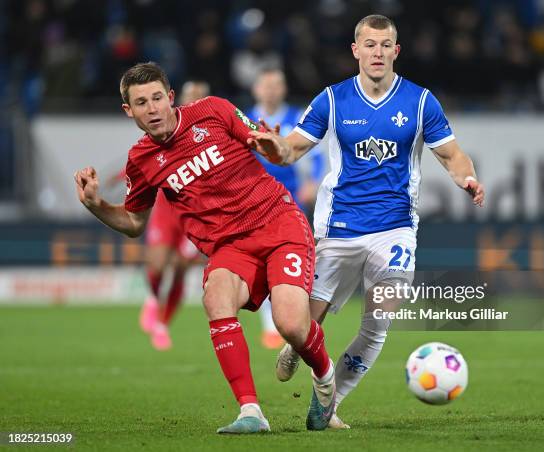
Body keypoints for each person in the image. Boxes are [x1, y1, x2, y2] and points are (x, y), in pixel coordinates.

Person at [248, 15, 485, 429]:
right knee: (302, 323)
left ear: (397, 51)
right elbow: (294, 149)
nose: (378, 52)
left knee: (378, 323)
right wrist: (275, 147)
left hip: (395, 228)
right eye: (370, 45)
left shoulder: (420, 101)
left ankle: (329, 404)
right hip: (339, 226)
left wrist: (466, 176)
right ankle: (295, 345)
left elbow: (450, 154)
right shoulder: (333, 100)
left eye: (385, 45)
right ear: (355, 50)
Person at [74, 62, 336, 434]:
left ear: (170, 97)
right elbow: (133, 224)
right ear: (128, 111)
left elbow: (272, 148)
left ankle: (325, 379)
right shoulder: (142, 161)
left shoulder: (213, 110)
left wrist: (274, 146)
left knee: (291, 324)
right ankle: (251, 412)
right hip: (230, 247)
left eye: (156, 99)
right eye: (141, 103)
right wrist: (95, 204)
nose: (151, 110)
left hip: (278, 225)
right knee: (215, 297)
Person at [247, 68, 325, 350]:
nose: (271, 90)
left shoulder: (297, 117)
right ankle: (270, 325)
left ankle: (292, 317)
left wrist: (313, 182)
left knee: (291, 259)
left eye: (276, 85)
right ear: (256, 89)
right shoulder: (244, 118)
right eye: (266, 85)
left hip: (289, 199)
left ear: (283, 89)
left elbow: (316, 157)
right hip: (252, 201)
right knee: (262, 261)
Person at [136, 79, 211, 350]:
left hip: (194, 213)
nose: (194, 100)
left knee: (180, 268)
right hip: (167, 208)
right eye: (190, 95)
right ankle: (153, 299)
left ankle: (162, 325)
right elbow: (146, 161)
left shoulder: (212, 130)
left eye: (199, 95)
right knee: (156, 265)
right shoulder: (167, 128)